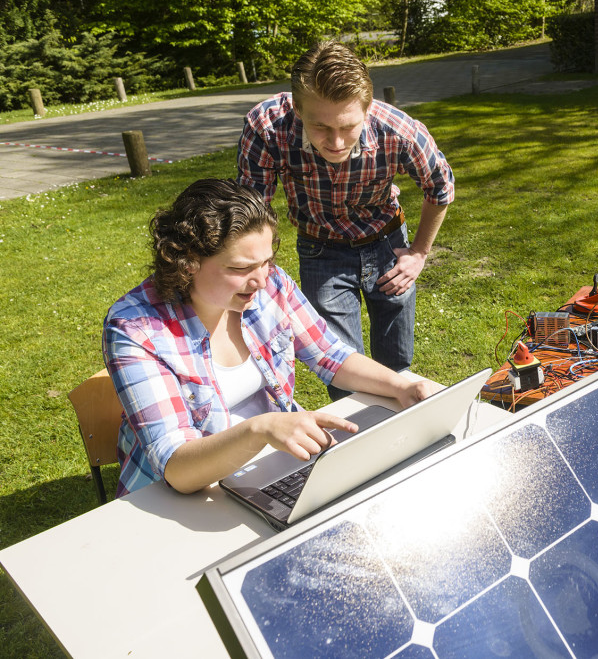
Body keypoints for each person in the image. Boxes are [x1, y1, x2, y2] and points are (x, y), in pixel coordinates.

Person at [103, 178, 436, 497]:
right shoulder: (135, 329)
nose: (261, 280)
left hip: (271, 465)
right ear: (186, 262)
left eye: (267, 262)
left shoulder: (269, 283)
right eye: (240, 269)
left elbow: (329, 354)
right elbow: (177, 468)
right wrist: (260, 430)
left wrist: (402, 387)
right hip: (178, 497)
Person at [237, 38, 455, 399]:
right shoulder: (267, 128)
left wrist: (418, 253)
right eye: (320, 127)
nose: (336, 142)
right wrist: (262, 273)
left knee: (397, 368)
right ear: (297, 109)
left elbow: (441, 187)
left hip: (388, 244)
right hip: (320, 250)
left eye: (348, 127)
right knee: (342, 374)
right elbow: (252, 211)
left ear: (367, 110)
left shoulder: (399, 131)